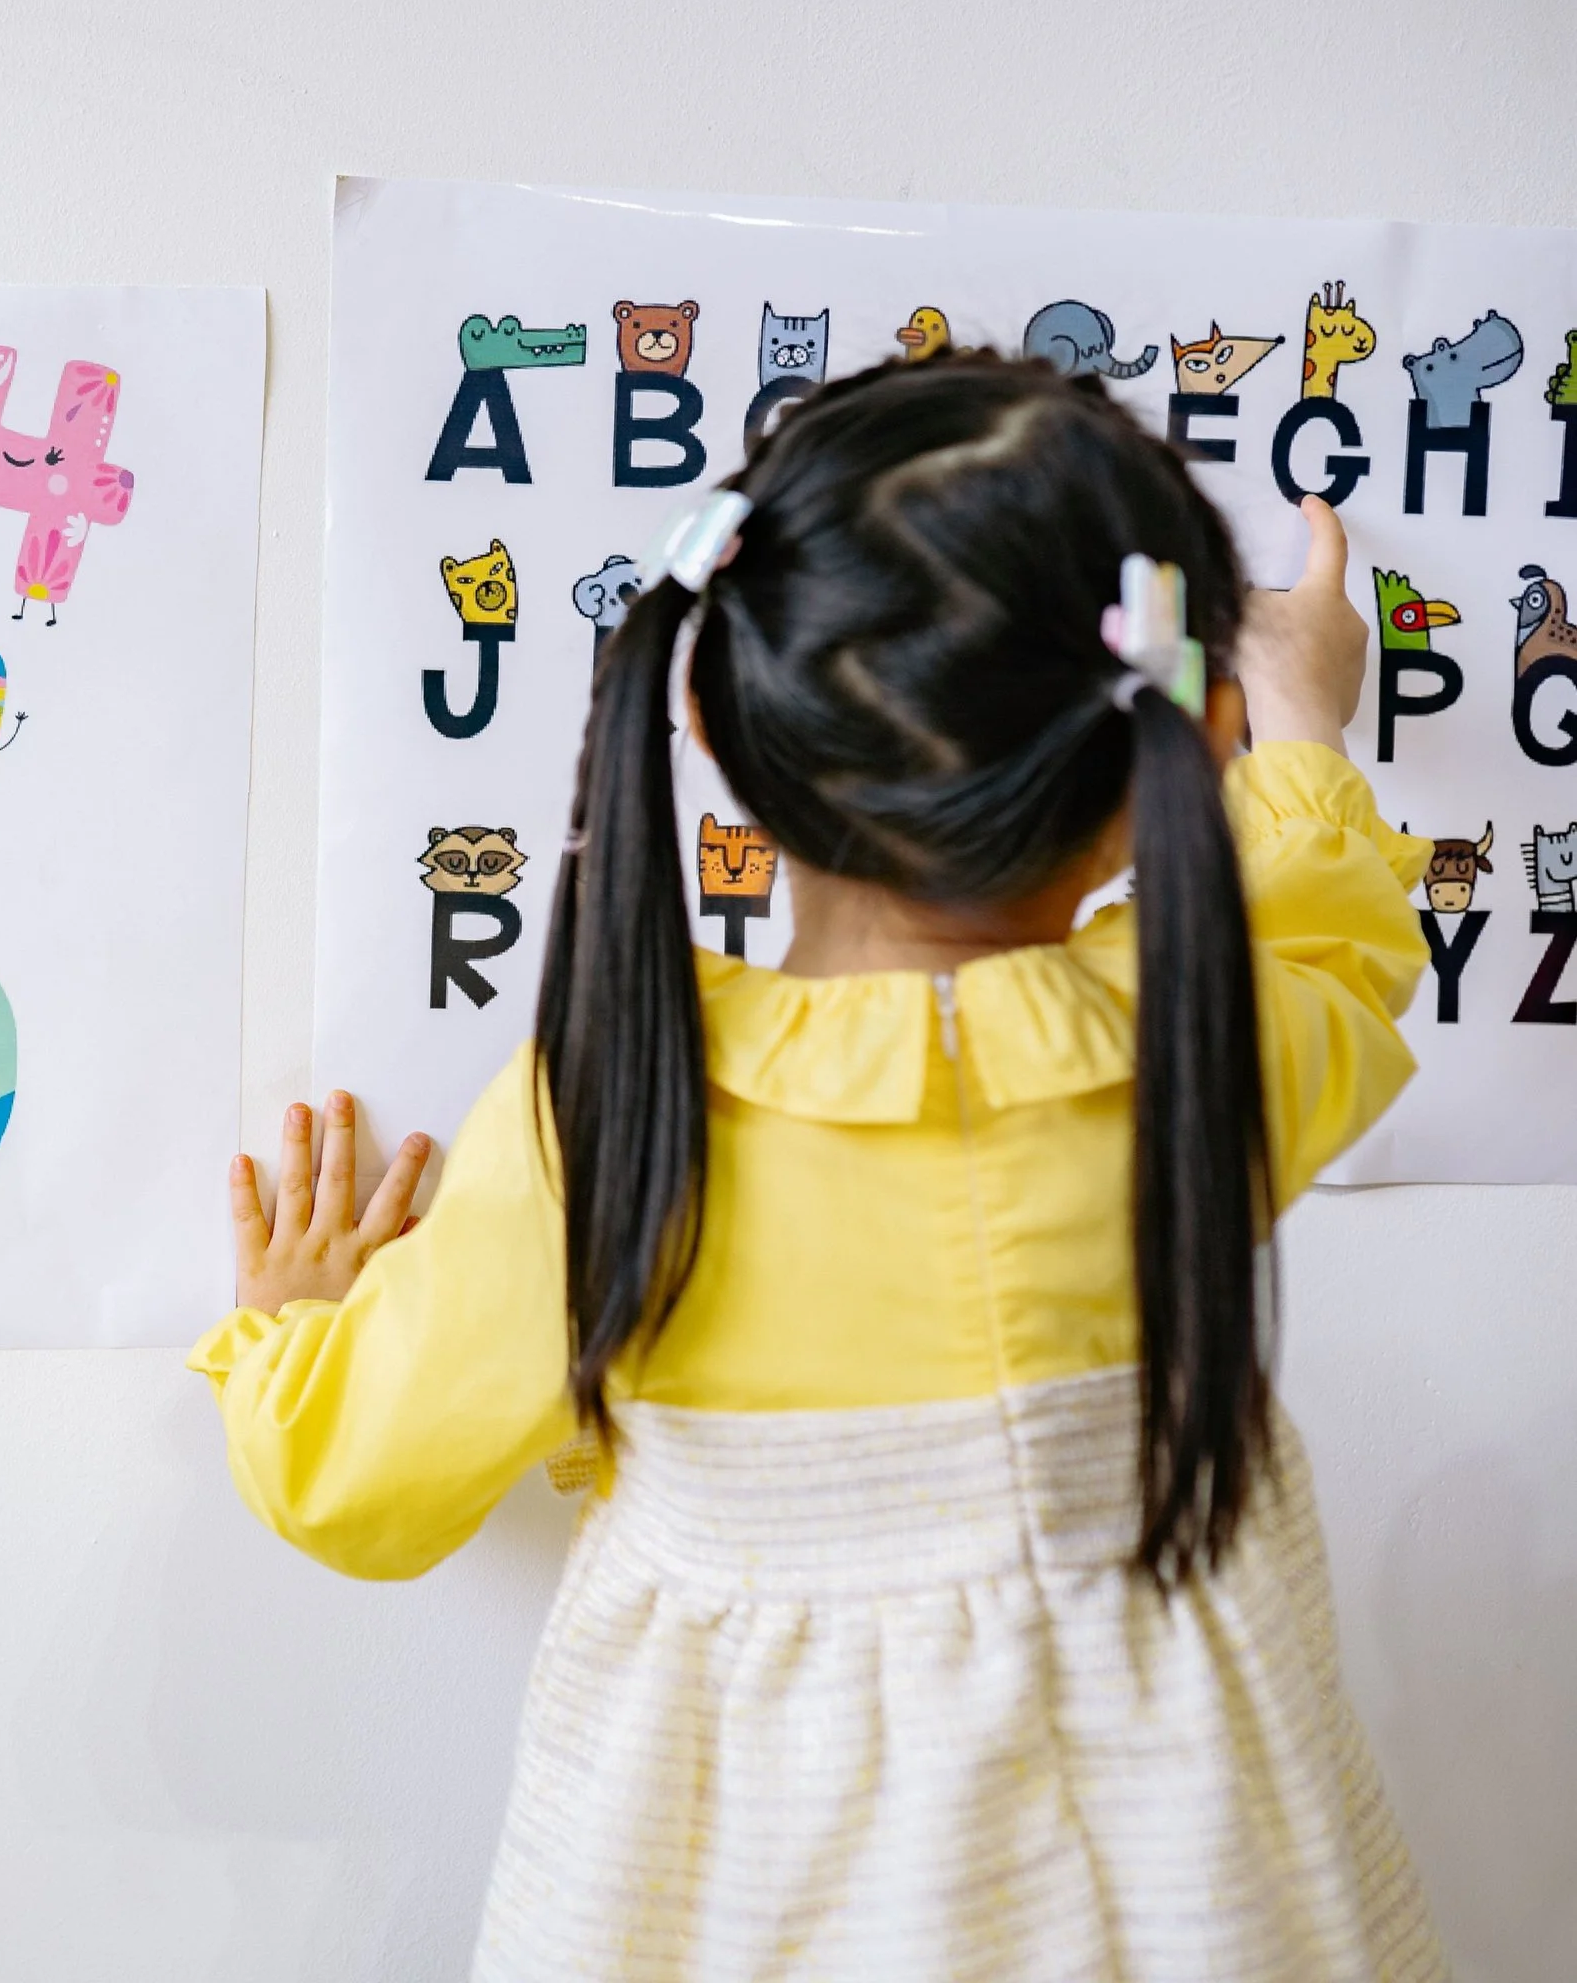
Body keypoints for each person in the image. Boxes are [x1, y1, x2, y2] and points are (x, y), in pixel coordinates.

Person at [191, 352, 1449, 1979]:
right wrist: (1298, 720)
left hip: (746, 1904)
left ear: (709, 715)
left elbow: (348, 1481)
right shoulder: (1202, 1046)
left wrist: (288, 1336)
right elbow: (1336, 943)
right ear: (1167, 754)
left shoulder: (621, 1111)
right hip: (1198, 1901)